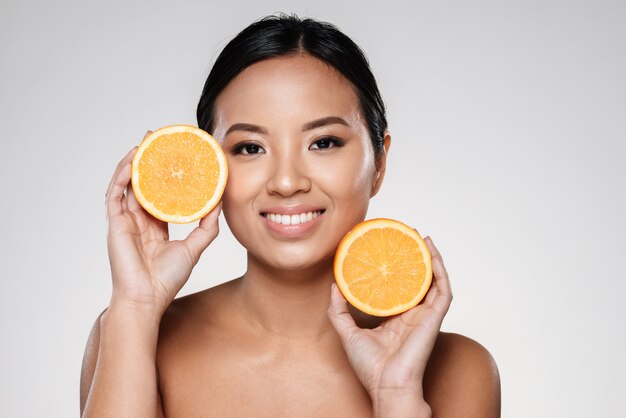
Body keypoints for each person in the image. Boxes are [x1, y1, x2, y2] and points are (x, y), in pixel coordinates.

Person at [80, 14, 500, 417]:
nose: (285, 181)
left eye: (324, 143)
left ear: (380, 164)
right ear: (210, 168)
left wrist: (396, 395)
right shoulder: (132, 335)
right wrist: (135, 304)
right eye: (249, 148)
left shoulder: (459, 371)